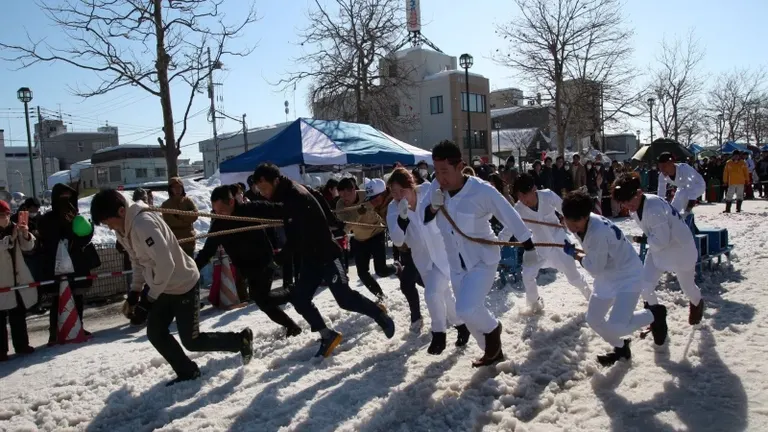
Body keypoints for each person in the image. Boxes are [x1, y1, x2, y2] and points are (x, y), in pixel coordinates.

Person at [90, 189, 253, 386]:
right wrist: (134, 293)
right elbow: (138, 261)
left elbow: (167, 265)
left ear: (121, 211)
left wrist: (148, 300)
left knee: (192, 340)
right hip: (162, 286)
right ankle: (188, 371)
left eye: (108, 221)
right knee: (156, 333)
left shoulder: (144, 224)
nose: (108, 227)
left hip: (183, 283)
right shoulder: (123, 229)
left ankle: (240, 340)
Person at [247, 163, 395, 358]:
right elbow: (313, 197)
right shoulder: (288, 190)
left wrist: (278, 260)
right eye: (260, 190)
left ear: (275, 181)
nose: (264, 193)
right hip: (311, 258)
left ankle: (379, 314)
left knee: (345, 299)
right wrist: (332, 221)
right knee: (300, 299)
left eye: (265, 188)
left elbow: (295, 236)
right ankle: (327, 335)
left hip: (327, 254)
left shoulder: (294, 196)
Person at [424, 140, 543, 367]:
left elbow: (508, 215)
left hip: (483, 260)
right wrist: (432, 207)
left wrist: (528, 245)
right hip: (456, 264)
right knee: (468, 316)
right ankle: (492, 352)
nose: (440, 177)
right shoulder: (436, 189)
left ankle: (493, 330)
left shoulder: (481, 191)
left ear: (460, 166)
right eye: (436, 171)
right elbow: (423, 217)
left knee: (466, 308)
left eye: (445, 171)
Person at [560, 190, 668, 366]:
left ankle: (655, 314)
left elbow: (594, 267)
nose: (571, 227)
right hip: (607, 276)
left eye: (576, 223)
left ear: (586, 216)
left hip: (628, 276)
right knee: (593, 320)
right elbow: (597, 263)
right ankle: (621, 348)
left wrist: (575, 255)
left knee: (618, 326)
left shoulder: (598, 233)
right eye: (567, 221)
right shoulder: (579, 220)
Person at [195, 186, 302, 337]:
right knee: (262, 301)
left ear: (231, 202)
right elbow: (207, 251)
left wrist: (298, 210)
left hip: (265, 262)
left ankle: (292, 295)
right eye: (215, 211)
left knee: (261, 298)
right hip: (247, 268)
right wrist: (193, 268)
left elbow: (277, 209)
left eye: (221, 210)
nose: (218, 214)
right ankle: (292, 323)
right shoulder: (220, 224)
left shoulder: (251, 209)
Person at [611, 174, 704, 325]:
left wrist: (637, 239)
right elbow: (654, 236)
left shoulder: (653, 207)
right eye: (623, 202)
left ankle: (697, 302)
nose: (627, 205)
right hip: (657, 249)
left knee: (687, 287)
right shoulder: (634, 209)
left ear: (639, 192)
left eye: (629, 200)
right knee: (645, 285)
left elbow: (662, 240)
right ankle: (656, 317)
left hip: (680, 248)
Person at [512, 174, 591, 312]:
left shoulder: (547, 195)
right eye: (520, 197)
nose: (524, 200)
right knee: (528, 274)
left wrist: (572, 226)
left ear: (534, 189)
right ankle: (534, 305)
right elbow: (509, 228)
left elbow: (566, 211)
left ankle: (591, 298)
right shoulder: (517, 209)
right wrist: (497, 242)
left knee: (574, 278)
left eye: (525, 195)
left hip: (561, 244)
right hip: (539, 246)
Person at [37, 183, 100, 344]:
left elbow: (84, 238)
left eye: (68, 197)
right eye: (62, 197)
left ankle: (78, 327)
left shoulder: (76, 215)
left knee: (77, 297)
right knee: (58, 300)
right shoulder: (48, 218)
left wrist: (81, 225)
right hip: (56, 265)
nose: (66, 201)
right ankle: (54, 332)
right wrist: (64, 225)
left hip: (76, 264)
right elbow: (48, 238)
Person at [335, 178, 398, 301]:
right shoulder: (340, 205)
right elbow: (346, 226)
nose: (345, 199)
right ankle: (380, 296)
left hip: (376, 234)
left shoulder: (367, 194)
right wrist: (360, 211)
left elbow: (383, 205)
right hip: (359, 239)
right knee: (362, 273)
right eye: (341, 196)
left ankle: (397, 267)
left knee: (381, 270)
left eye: (347, 195)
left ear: (354, 190)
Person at [0, 200, 36, 360]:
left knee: (18, 314)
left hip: (16, 278)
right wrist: (8, 240)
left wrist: (25, 234)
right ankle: (1, 351)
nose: (5, 218)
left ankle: (21, 345)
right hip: (1, 279)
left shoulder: (14, 227)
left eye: (7, 214)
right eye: (2, 215)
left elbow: (28, 247)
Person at [161, 177, 198, 257]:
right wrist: (186, 219)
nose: (178, 190)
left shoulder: (188, 201)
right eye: (175, 187)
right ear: (170, 189)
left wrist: (179, 215)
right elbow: (170, 221)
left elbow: (195, 215)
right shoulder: (166, 205)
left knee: (191, 265)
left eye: (179, 187)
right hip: (175, 241)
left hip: (189, 241)